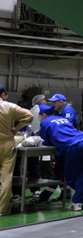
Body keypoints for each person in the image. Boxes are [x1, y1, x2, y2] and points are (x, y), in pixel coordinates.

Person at [37, 104, 83, 211]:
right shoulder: (62, 119)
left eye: (40, 116)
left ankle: (78, 202)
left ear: (44, 115)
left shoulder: (45, 122)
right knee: (81, 174)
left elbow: (44, 141)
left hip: (73, 146)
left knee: (71, 176)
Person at [0, 84, 34, 216]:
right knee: (6, 177)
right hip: (7, 144)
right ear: (2, 94)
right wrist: (17, 128)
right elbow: (29, 116)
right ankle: (1, 209)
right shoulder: (10, 106)